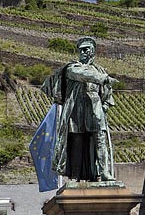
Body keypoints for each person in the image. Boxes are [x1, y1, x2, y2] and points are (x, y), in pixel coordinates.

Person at [40, 36, 116, 182]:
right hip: (76, 108)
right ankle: (75, 175)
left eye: (86, 49)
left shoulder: (100, 70)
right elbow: (83, 75)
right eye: (81, 49)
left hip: (95, 107)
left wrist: (104, 106)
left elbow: (107, 94)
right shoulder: (72, 67)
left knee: (100, 139)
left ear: (93, 51)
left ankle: (104, 172)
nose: (83, 52)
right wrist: (103, 78)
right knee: (76, 141)